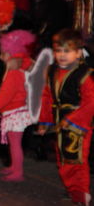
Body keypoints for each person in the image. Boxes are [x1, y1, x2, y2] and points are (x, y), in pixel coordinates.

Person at [38, 29, 94, 206]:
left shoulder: (85, 74)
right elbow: (47, 96)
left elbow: (91, 102)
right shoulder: (52, 71)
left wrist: (72, 120)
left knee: (76, 159)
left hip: (78, 125)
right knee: (62, 158)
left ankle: (81, 193)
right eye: (58, 51)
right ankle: (73, 190)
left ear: (78, 53)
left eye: (67, 51)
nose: (62, 55)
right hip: (58, 122)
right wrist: (44, 121)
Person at [0, 30, 36, 182]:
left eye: (3, 54)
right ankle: (14, 167)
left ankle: (17, 172)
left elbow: (6, 95)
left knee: (15, 144)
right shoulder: (20, 67)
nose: (0, 57)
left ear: (11, 53)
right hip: (17, 110)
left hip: (15, 111)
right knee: (14, 143)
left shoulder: (13, 72)